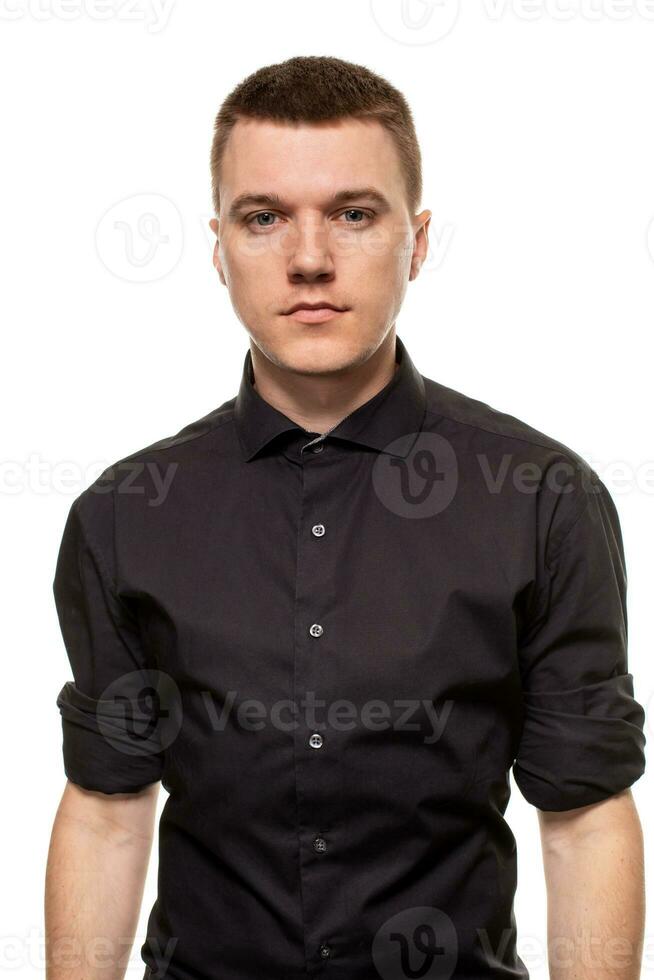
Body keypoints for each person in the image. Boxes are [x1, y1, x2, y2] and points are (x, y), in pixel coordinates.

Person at [45, 55, 646, 980]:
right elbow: (106, 806)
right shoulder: (123, 515)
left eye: (354, 214)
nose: (311, 258)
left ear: (418, 239)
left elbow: (584, 814)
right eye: (264, 217)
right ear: (217, 247)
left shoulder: (541, 497)